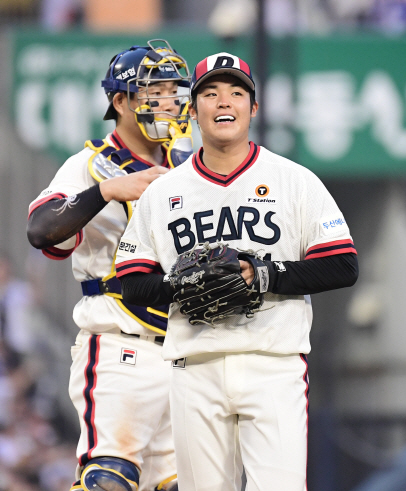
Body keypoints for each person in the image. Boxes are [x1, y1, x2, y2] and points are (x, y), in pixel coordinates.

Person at [115, 52, 359, 491]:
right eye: (210, 93)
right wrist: (180, 287)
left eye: (235, 92)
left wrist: (264, 275)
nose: (223, 101)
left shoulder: (294, 180)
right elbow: (130, 280)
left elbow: (343, 265)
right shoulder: (163, 191)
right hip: (194, 365)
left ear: (253, 108)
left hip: (273, 362)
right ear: (193, 110)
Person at [26, 40, 192, 491]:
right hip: (123, 345)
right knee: (109, 479)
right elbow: (41, 230)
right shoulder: (93, 164)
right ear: (120, 100)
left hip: (189, 350)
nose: (169, 103)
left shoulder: (193, 168)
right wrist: (108, 190)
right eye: (154, 92)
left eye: (175, 92)